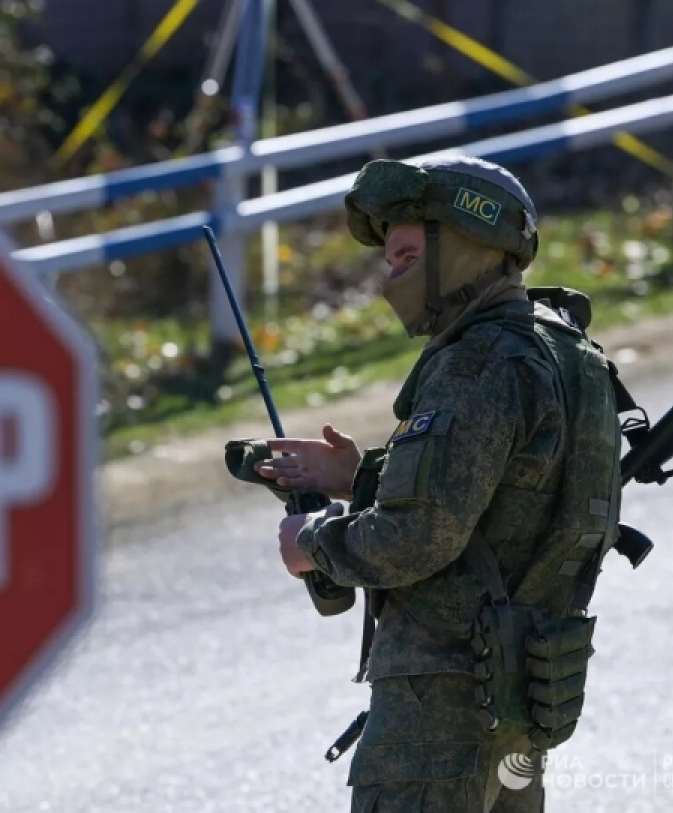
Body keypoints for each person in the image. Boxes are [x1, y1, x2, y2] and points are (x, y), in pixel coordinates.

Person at [253, 156, 622, 812]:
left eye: (404, 251)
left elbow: (418, 535)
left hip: (438, 709)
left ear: (467, 245)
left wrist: (311, 540)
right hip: (516, 700)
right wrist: (358, 474)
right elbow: (512, 496)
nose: (389, 271)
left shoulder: (476, 362)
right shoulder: (567, 356)